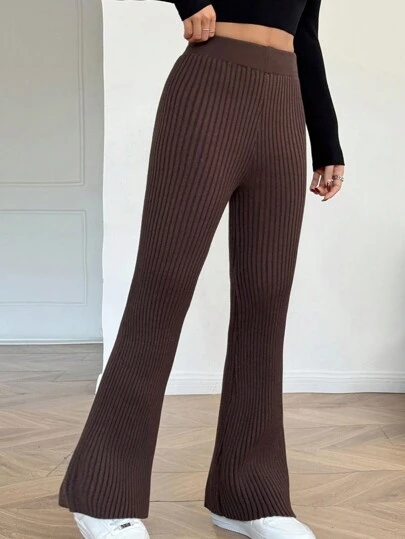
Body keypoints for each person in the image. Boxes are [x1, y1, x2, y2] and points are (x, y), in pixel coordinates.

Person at [58, 1, 345, 538]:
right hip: (209, 88)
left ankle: (249, 494)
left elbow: (306, 36)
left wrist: (326, 140)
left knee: (266, 296)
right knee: (163, 285)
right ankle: (102, 492)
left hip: (284, 103)